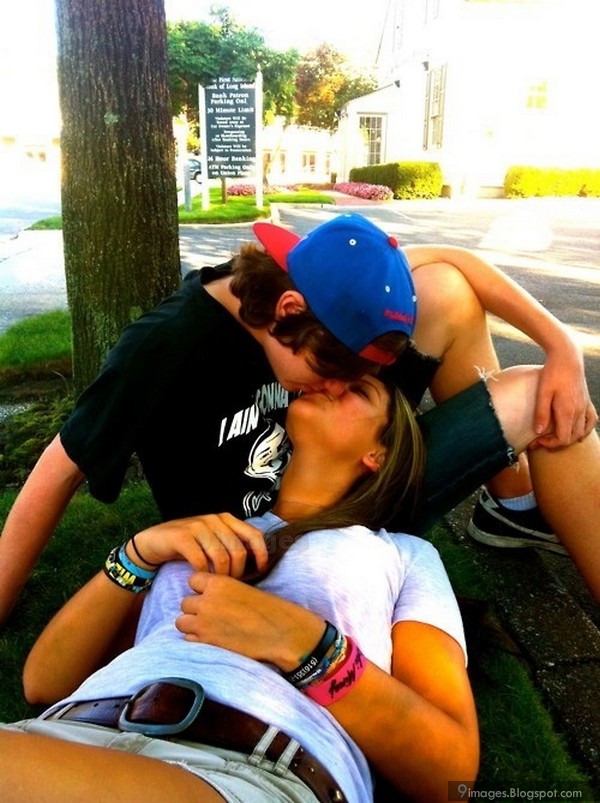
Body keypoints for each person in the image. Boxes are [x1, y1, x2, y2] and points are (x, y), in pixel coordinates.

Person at [0, 213, 599, 626]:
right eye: (331, 370)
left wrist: (561, 348)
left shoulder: (317, 285)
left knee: (469, 312)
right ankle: (518, 506)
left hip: (360, 491)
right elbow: (59, 468)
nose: (338, 389)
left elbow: (450, 259)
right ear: (289, 309)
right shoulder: (166, 345)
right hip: (266, 554)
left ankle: (514, 505)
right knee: (536, 394)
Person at [0, 375, 481, 803]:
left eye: (358, 389)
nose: (329, 381)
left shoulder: (403, 554)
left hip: (256, 767)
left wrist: (306, 645)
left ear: (378, 454)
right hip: (69, 734)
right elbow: (44, 682)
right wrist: (140, 552)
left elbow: (451, 773)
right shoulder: (211, 528)